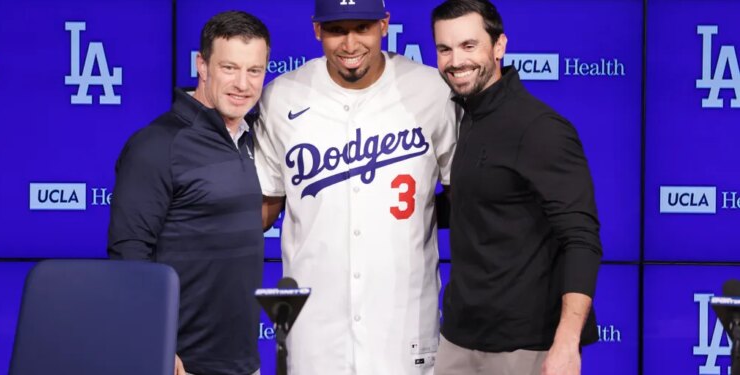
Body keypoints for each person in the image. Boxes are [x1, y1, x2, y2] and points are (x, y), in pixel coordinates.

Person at [253, 0, 459, 373]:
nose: (350, 44)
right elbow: (264, 207)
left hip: (406, 323)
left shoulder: (431, 90)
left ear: (384, 25)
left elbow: (468, 193)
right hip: (314, 331)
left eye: (362, 28)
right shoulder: (281, 96)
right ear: (317, 30)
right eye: (336, 30)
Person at [429, 1, 603, 374]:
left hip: (525, 346)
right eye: (445, 49)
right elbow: (476, 205)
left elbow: (581, 238)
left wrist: (567, 343)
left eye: (469, 46)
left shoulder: (541, 129)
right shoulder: (463, 117)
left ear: (499, 46)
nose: (456, 60)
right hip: (458, 337)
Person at [107, 11, 270, 375]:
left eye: (254, 71)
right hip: (183, 364)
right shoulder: (158, 144)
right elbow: (129, 254)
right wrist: (158, 347)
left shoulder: (255, 137)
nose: (242, 84)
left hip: (245, 363)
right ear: (202, 65)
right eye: (229, 68)